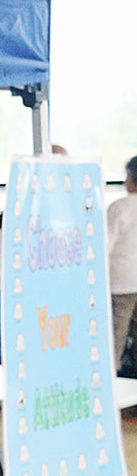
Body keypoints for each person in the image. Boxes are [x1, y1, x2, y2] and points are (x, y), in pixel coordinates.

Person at [108, 155, 137, 372]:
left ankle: (114, 377)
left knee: (115, 338)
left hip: (121, 281)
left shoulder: (120, 207)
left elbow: (104, 245)